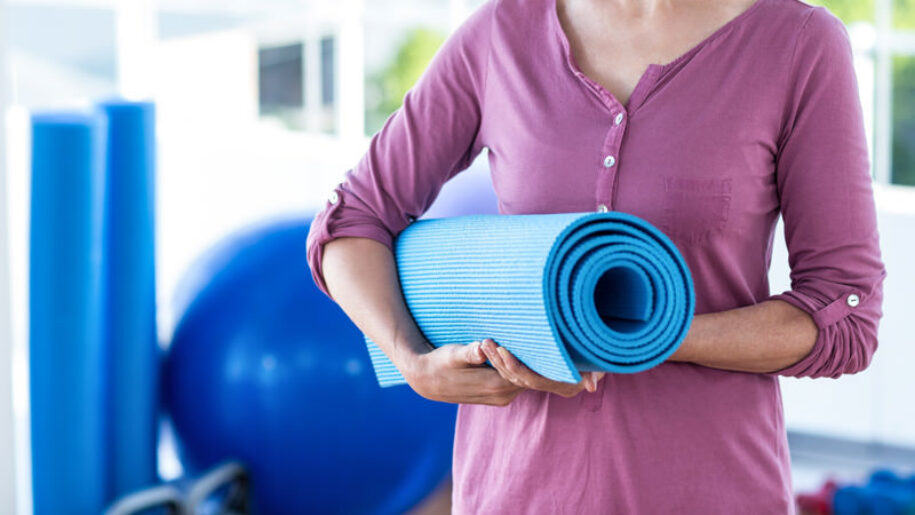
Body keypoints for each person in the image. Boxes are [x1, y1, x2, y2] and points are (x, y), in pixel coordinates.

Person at [306, 0, 887, 511]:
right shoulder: (502, 32)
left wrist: (637, 337)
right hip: (516, 490)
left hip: (710, 488)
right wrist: (412, 361)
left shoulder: (798, 44)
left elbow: (843, 313)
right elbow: (352, 220)